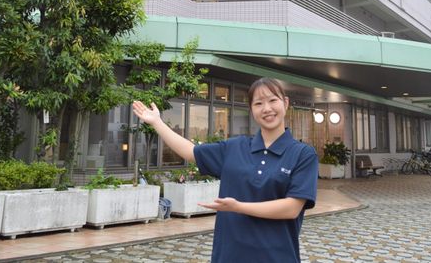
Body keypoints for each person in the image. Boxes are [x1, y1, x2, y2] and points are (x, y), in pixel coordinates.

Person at [132, 77, 318, 263]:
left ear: (285, 103)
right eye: (258, 103)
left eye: (272, 100)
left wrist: (238, 207)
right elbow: (190, 151)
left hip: (277, 257)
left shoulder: (302, 154)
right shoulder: (234, 147)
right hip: (229, 256)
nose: (266, 108)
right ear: (252, 109)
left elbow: (291, 208)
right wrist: (157, 123)